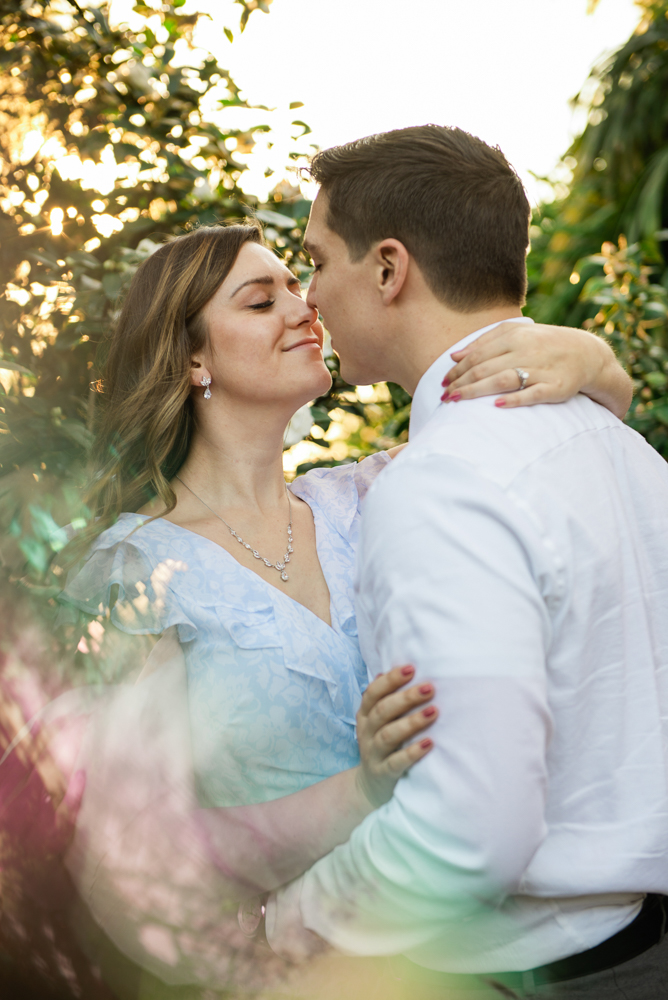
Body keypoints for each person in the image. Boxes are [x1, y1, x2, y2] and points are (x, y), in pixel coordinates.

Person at [32, 212, 630, 990]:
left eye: (296, 281)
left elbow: (564, 445)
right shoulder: (135, 578)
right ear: (190, 360)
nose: (302, 305)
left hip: (490, 957)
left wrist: (593, 354)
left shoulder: (382, 491)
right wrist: (362, 791)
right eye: (260, 301)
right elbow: (137, 859)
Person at [265, 125, 668, 1000]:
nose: (310, 295)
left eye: (317, 260)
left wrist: (287, 927)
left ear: (387, 269)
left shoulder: (445, 484)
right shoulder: (624, 447)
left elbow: (467, 832)